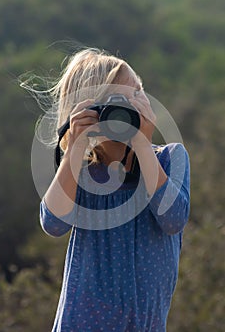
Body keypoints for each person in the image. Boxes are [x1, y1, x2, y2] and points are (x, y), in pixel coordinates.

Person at [39, 48, 190, 331]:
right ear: (90, 111)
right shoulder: (81, 172)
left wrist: (143, 144)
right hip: (83, 323)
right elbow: (53, 223)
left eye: (138, 91)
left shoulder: (170, 158)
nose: (132, 104)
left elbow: (173, 220)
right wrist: (75, 147)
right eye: (117, 100)